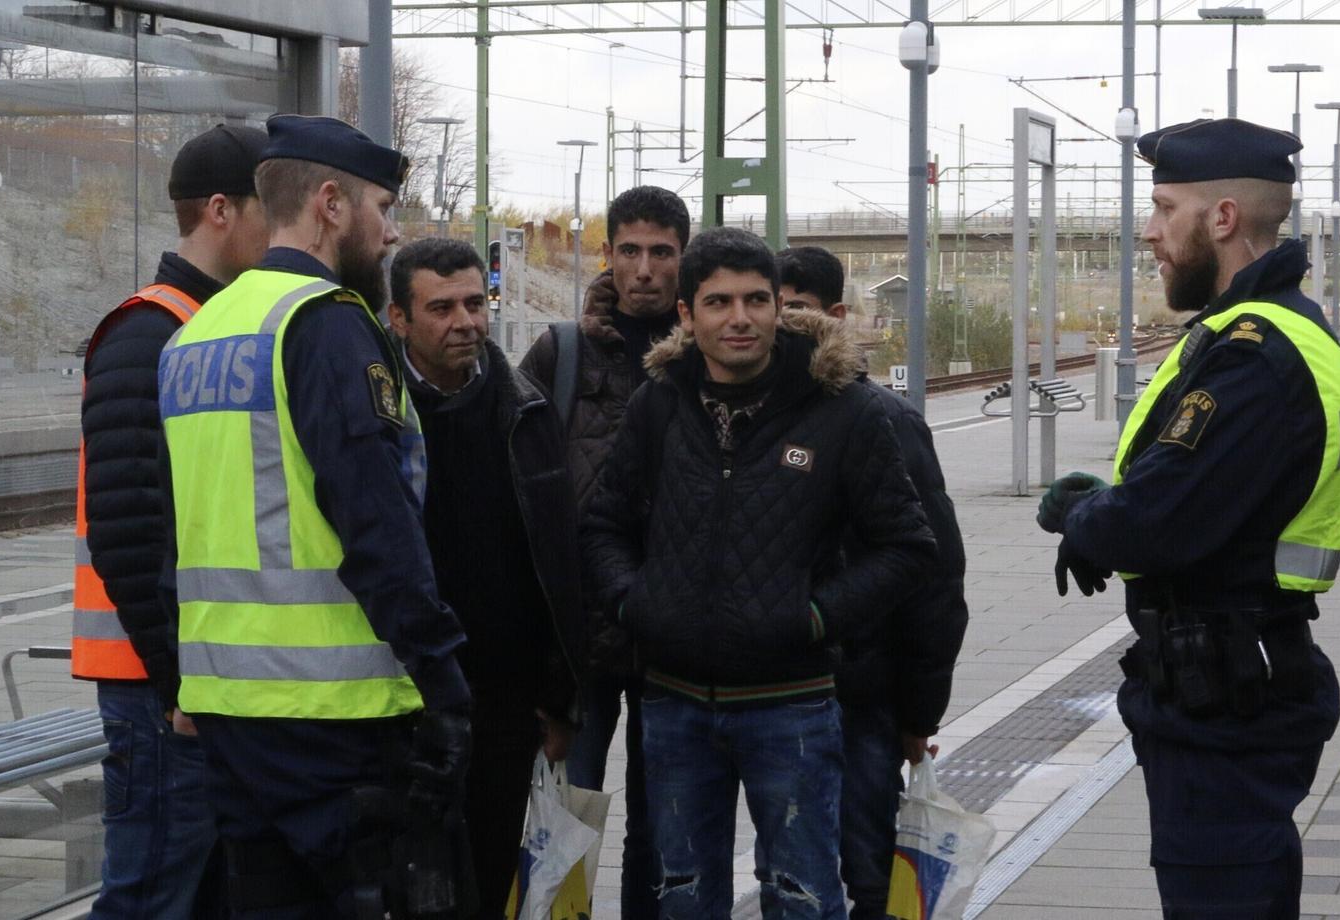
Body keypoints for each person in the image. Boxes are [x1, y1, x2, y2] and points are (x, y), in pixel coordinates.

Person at [1035, 118, 1340, 919]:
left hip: (1228, 693)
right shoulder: (1291, 332)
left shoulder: (1254, 354)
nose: (1148, 233)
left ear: (1220, 219)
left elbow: (1158, 517)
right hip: (1243, 671)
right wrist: (1108, 508)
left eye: (1162, 208)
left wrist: (1085, 518)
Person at [157, 115, 472, 919]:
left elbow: (176, 523)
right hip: (335, 717)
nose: (392, 230)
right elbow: (375, 520)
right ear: (330, 205)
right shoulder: (325, 324)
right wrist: (442, 677)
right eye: (382, 206)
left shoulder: (199, 333)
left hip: (228, 712)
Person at [583, 226, 937, 919]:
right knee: (681, 893)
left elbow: (908, 547)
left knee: (801, 893)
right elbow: (604, 525)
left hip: (792, 703)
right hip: (674, 701)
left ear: (779, 307)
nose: (738, 318)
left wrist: (813, 617)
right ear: (687, 315)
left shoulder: (844, 411)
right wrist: (636, 603)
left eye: (755, 300)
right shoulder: (659, 404)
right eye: (717, 303)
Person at [74, 123, 268, 920]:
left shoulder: (208, 325)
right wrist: (178, 678)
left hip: (191, 684)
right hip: (157, 690)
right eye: (270, 205)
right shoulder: (149, 331)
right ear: (221, 211)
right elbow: (127, 528)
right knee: (152, 896)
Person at [387, 237, 585, 918]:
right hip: (398, 703)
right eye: (440, 307)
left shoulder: (524, 411)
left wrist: (560, 701)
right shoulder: (375, 418)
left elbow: (557, 563)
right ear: (398, 318)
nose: (465, 321)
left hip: (502, 705)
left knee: (487, 881)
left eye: (475, 302)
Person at [777, 245, 969, 920]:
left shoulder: (884, 422)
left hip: (861, 697)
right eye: (771, 309)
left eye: (795, 309)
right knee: (791, 872)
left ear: (834, 316)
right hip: (772, 691)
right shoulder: (743, 420)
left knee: (868, 873)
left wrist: (919, 713)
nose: (781, 325)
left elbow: (936, 580)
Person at [519, 184, 691, 919]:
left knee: (663, 833)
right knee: (566, 825)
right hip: (577, 645)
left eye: (661, 253)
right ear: (607, 255)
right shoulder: (560, 354)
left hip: (672, 641)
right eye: (629, 251)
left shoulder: (706, 359)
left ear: (683, 260)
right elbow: (515, 494)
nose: (645, 269)